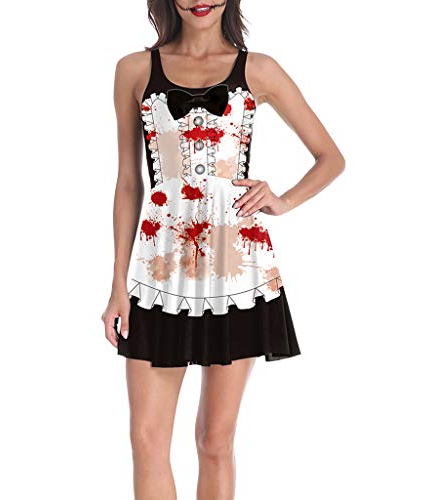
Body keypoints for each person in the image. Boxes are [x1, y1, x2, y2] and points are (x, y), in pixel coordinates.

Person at [101, 1, 345, 498]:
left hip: (237, 271)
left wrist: (283, 200)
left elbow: (330, 158)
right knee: (146, 440)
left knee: (215, 440)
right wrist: (117, 285)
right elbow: (129, 183)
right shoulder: (133, 70)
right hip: (158, 272)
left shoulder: (260, 70)